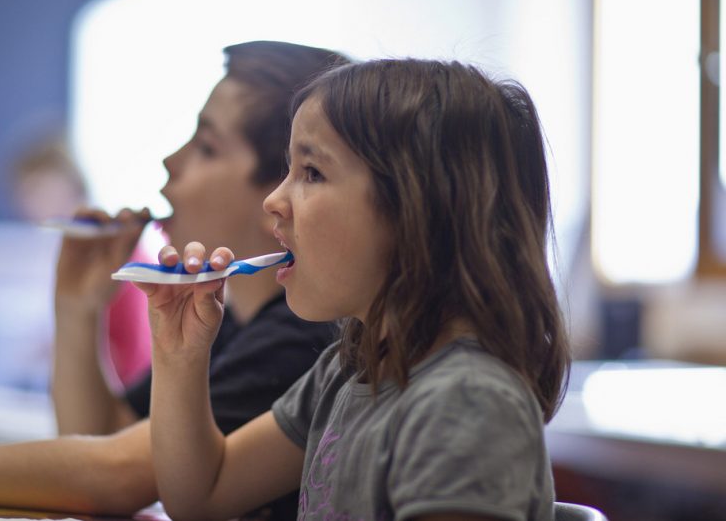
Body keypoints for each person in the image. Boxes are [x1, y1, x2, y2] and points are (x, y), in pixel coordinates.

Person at [0, 41, 348, 520]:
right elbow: (102, 435)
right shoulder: (229, 324)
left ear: (279, 192)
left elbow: (118, 473)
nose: (169, 162)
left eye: (206, 147)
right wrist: (77, 307)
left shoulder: (302, 336)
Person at [137, 58, 572, 521]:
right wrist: (180, 353)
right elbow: (203, 494)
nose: (273, 201)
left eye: (312, 173)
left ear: (416, 210)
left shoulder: (467, 403)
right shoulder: (349, 371)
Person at [9, 130, 152, 389]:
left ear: (68, 181)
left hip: (123, 390)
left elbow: (127, 352)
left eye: (36, 188)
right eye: (22, 193)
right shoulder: (80, 244)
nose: (26, 204)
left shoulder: (110, 248)